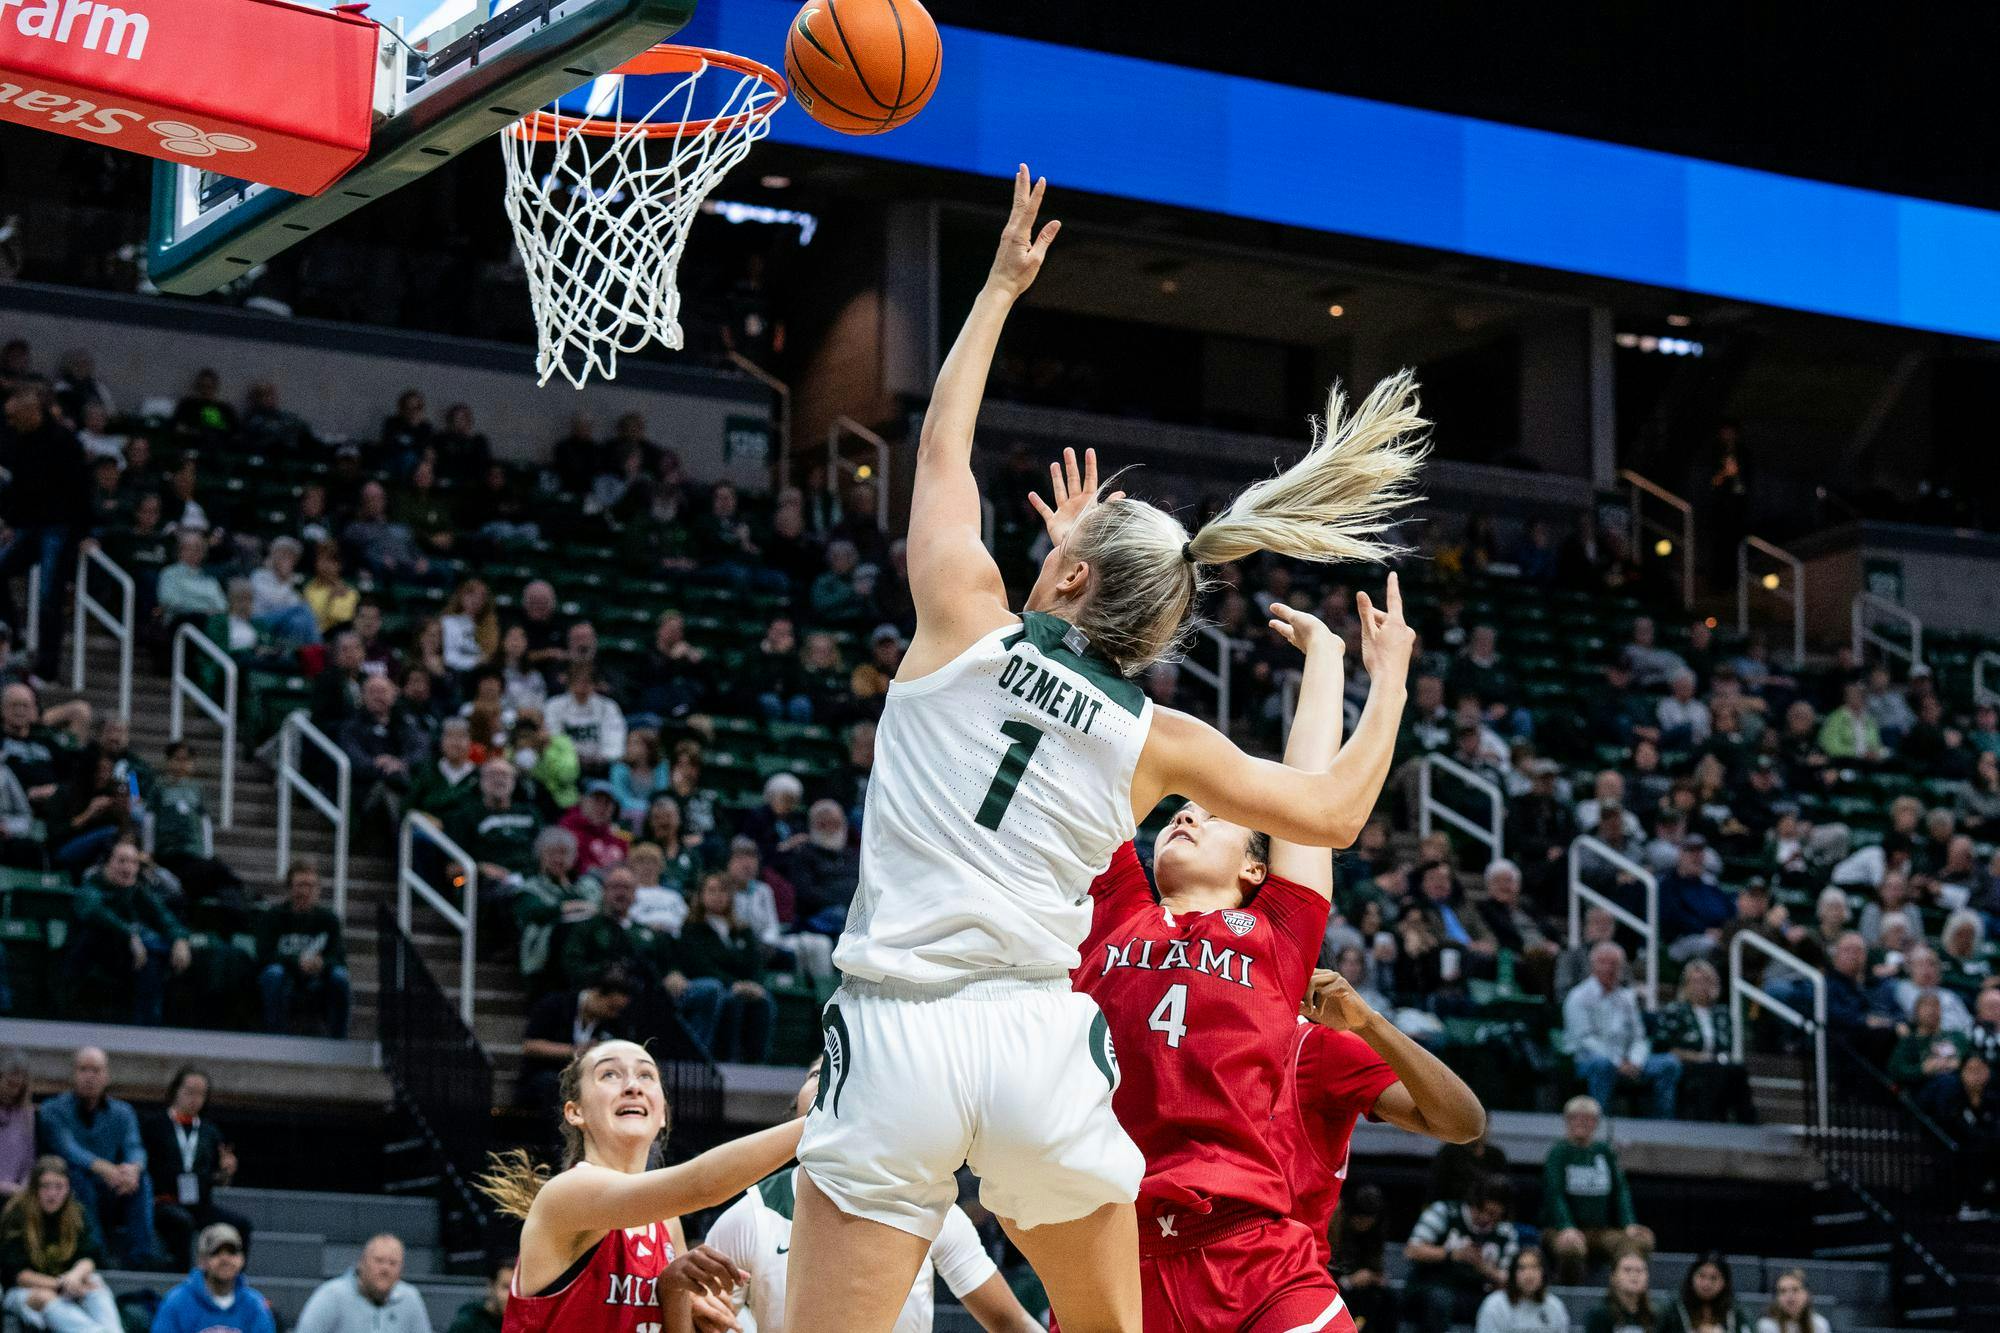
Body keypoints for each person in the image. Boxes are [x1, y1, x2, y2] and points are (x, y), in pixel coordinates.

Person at [789, 168, 1427, 1333]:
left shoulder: (960, 611)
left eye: (1064, 553)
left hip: (897, 1031)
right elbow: (1330, 814)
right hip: (1037, 1041)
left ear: (1068, 574)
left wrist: (995, 290)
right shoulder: (1156, 737)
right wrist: (1380, 680)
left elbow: (939, 447)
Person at [477, 1040, 805, 1333]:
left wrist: (674, 1290)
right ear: (575, 1112)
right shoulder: (567, 1194)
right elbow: (702, 1186)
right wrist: (822, 1122)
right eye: (609, 1075)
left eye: (646, 1075)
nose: (633, 1085)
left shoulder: (666, 1222)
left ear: (662, 1113)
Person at [696, 1060, 1041, 1333]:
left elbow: (1012, 1324)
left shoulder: (931, 1204)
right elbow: (706, 1320)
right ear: (795, 1109)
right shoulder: (751, 1215)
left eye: (847, 1066)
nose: (832, 1076)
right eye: (819, 1072)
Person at [34, 1048, 159, 1267]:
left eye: (96, 1070)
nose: (89, 1076)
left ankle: (141, 1257)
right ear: (73, 1074)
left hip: (113, 1188)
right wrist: (104, 1168)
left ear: (106, 1076)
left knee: (142, 1180)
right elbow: (67, 1149)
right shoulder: (52, 1110)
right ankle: (95, 1253)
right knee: (76, 1176)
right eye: (83, 1069)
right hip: (73, 1189)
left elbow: (134, 1146)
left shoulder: (123, 1112)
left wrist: (133, 1170)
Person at [139, 1069, 252, 1267]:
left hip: (199, 1203)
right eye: (190, 1091)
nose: (195, 1098)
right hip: (164, 1201)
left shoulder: (210, 1132)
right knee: (182, 1222)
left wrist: (227, 1171)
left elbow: (220, 1179)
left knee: (241, 1225)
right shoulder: (154, 1125)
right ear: (176, 1091)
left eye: (201, 1094)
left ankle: (235, 1281)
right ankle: (185, 1279)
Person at [0, 1156, 121, 1333]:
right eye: (46, 1186)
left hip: (67, 1284)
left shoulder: (77, 1213)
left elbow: (88, 1257)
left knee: (95, 1283)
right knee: (45, 1297)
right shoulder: (17, 1214)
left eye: (59, 1186)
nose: (52, 1193)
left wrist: (75, 1276)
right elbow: (18, 1275)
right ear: (35, 1188)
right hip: (23, 1292)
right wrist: (62, 1285)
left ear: (68, 1188)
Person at [1563, 943, 1680, 1118]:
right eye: (1604, 963)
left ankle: (1663, 1124)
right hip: (1588, 1060)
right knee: (1602, 1065)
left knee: (1669, 1063)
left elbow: (1639, 1037)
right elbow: (1585, 1040)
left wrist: (1635, 1061)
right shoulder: (1578, 997)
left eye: (1615, 964)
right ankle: (1599, 1124)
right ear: (1593, 965)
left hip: (1628, 1060)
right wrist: (1618, 1062)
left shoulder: (1627, 998)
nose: (1610, 968)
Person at [1542, 1097, 1652, 1285]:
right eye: (1575, 1117)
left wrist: (1629, 1223)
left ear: (1596, 1123)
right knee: (1571, 1248)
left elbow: (1620, 1191)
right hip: (1561, 1229)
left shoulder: (1605, 1151)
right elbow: (1554, 1193)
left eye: (1587, 1118)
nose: (1581, 1123)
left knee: (1642, 1240)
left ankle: (1621, 1297)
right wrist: (1566, 1226)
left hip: (1602, 1230)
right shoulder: (1558, 1152)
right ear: (1567, 1121)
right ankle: (1571, 1296)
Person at [677, 875, 776, 1064]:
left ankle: (758, 1066)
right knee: (731, 1000)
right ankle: (727, 1062)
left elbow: (754, 963)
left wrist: (754, 984)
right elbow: (699, 965)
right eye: (712, 891)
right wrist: (734, 984)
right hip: (714, 985)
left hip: (742, 985)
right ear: (701, 895)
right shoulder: (692, 929)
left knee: (764, 1001)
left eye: (723, 891)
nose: (717, 896)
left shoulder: (742, 930)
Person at [1403, 1176, 1522, 1333]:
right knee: (1438, 1300)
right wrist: (1452, 1254)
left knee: (1500, 1304)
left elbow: (1511, 1278)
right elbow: (1412, 1250)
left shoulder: (1506, 1232)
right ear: (1473, 1203)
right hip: (1432, 1286)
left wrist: (1484, 1268)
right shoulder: (1445, 1211)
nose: (1486, 1218)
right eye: (1482, 1211)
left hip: (1476, 1292)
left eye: (1494, 1215)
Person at [517, 971, 636, 1114]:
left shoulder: (613, 1024)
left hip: (589, 1080)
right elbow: (530, 1046)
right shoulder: (556, 1004)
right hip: (546, 1075)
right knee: (554, 1086)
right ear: (596, 994)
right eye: (611, 1007)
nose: (613, 1014)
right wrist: (574, 1051)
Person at [256, 863, 350, 1037]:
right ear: (290, 888)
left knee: (340, 977)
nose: (305, 891)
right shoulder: (273, 916)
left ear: (318, 890)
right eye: (300, 885)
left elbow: (338, 957)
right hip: (285, 975)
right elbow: (263, 954)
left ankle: (338, 1040)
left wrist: (321, 963)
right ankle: (274, 1038)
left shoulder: (329, 920)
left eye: (310, 886)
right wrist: (296, 962)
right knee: (272, 974)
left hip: (318, 978)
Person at [1653, 961, 1753, 1122]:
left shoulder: (1722, 1013)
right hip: (1686, 1062)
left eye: (1705, 981)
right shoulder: (1676, 1010)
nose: (1700, 986)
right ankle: (1705, 1120)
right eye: (1695, 981)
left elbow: (1727, 1044)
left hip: (1716, 1062)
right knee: (1710, 1071)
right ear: (1685, 985)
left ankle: (1747, 1122)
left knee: (1738, 1070)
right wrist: (1697, 1057)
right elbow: (1664, 1046)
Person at [151, 1223, 276, 1333]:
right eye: (216, 1252)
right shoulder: (177, 1302)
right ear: (202, 1261)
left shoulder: (254, 1304)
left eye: (232, 1252)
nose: (225, 1259)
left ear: (241, 1259)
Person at [295, 1234, 432, 1333]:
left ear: (401, 1270)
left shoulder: (410, 1298)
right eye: (379, 1260)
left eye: (393, 1263)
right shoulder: (332, 1295)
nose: (385, 1269)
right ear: (362, 1263)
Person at [1475, 1248, 1568, 1333]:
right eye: (1522, 1268)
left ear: (1543, 1274)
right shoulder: (1495, 1305)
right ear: (1513, 1274)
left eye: (1535, 1267)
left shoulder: (1555, 1306)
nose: (1529, 1274)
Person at [1660, 1252, 1748, 1333]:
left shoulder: (1736, 1311)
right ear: (1692, 1277)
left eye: (1713, 1278)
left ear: (1724, 1282)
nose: (1706, 1284)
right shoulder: (1673, 1308)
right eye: (1702, 1276)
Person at [1585, 1248, 1656, 1333]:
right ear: (1613, 1276)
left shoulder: (1655, 1316)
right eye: (1627, 1270)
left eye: (1639, 1270)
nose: (1634, 1275)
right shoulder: (1600, 1315)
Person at [446, 1260, 512, 1333]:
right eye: (506, 1287)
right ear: (491, 1286)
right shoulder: (467, 1324)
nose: (513, 1296)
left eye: (518, 1289)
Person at [1755, 1270, 1828, 1333]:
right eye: (1783, 1291)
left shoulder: (1819, 1324)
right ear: (1777, 1298)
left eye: (1795, 1289)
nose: (1789, 1296)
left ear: (1807, 1294)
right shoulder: (1767, 1325)